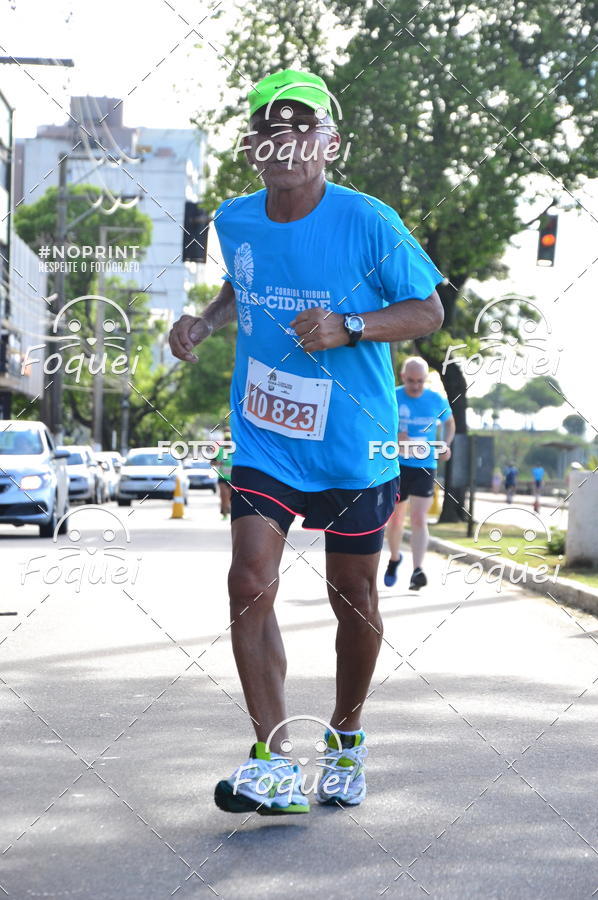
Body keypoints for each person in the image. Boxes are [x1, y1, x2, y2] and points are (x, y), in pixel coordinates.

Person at [168, 69, 444, 815]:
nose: (285, 144)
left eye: (302, 130)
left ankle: (347, 737)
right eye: (270, 131)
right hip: (266, 436)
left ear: (330, 144)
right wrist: (204, 321)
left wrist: (351, 326)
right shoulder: (235, 220)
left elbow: (428, 311)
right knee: (247, 579)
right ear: (253, 147)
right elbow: (240, 288)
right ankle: (273, 758)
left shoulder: (370, 223)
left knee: (350, 594)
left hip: (354, 442)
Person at [383, 357, 455, 591]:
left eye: (420, 381)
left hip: (425, 465)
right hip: (398, 466)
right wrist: (394, 438)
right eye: (411, 381)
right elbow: (379, 424)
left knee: (418, 519)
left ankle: (417, 570)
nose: (415, 386)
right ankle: (394, 559)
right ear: (403, 377)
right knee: (395, 519)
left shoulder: (435, 399)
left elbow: (450, 423)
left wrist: (445, 443)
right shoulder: (393, 395)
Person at [215, 430, 233, 519]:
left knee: (230, 497)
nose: (228, 442)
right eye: (226, 440)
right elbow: (212, 462)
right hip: (222, 477)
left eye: (229, 440)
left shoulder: (235, 451)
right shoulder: (220, 451)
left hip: (233, 478)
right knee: (223, 495)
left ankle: (231, 513)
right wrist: (219, 463)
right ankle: (225, 514)